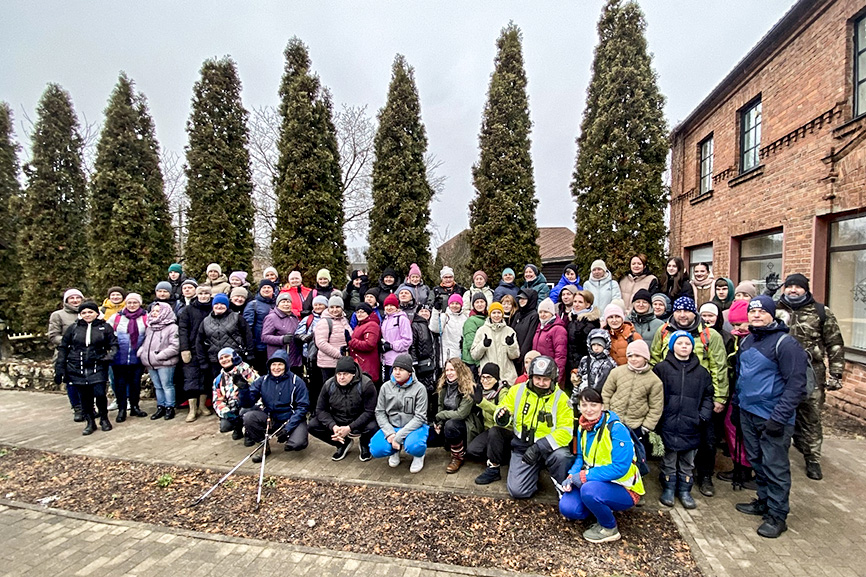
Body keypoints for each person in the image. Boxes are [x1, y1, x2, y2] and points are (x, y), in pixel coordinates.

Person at [734, 296, 808, 538]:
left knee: (775, 466)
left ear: (771, 314)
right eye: (752, 311)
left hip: (773, 417)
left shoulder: (786, 345)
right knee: (757, 461)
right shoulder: (747, 342)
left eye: (761, 311)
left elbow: (796, 385)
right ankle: (764, 501)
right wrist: (737, 406)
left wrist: (779, 417)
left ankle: (777, 515)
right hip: (748, 413)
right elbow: (742, 377)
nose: (756, 315)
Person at [650, 295, 728, 497]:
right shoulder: (664, 331)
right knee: (670, 440)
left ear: (695, 313)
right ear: (673, 312)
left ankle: (704, 476)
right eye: (679, 310)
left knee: (707, 441)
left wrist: (719, 398)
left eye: (687, 311)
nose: (683, 315)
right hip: (671, 396)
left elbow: (719, 368)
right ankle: (669, 480)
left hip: (700, 396)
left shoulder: (710, 336)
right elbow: (655, 360)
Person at [775, 273, 845, 481]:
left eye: (798, 287)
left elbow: (834, 343)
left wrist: (836, 372)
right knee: (782, 414)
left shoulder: (820, 312)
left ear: (806, 289)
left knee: (811, 417)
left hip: (811, 372)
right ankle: (780, 457)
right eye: (789, 286)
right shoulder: (776, 310)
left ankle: (812, 458)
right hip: (781, 372)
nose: (793, 290)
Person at [558, 387, 645, 543]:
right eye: (584, 405)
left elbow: (620, 467)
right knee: (568, 508)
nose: (589, 410)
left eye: (593, 405)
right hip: (596, 482)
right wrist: (572, 475)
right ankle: (599, 507)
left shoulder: (616, 429)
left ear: (602, 406)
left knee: (589, 490)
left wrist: (584, 476)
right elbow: (580, 457)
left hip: (624, 487)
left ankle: (609, 528)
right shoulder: (582, 427)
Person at [492, 355, 574, 499]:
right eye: (538, 378)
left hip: (549, 448)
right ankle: (534, 472)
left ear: (553, 379)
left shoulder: (562, 399)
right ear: (530, 376)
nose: (541, 383)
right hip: (523, 446)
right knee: (517, 491)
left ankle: (561, 485)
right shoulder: (517, 390)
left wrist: (539, 447)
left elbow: (566, 432)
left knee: (562, 456)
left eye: (546, 379)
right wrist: (502, 417)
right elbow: (502, 408)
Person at [653, 331, 714, 509]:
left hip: (692, 423)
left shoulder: (702, 372)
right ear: (673, 346)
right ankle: (669, 488)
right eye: (679, 343)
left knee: (688, 461)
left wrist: (702, 415)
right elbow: (655, 395)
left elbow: (708, 396)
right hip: (668, 422)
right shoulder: (662, 369)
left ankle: (685, 489)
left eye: (687, 344)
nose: (684, 346)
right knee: (669, 459)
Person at [55, 301, 118, 435]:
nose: (87, 315)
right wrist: (60, 367)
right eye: (84, 312)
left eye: (90, 312)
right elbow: (63, 347)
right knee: (85, 397)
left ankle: (104, 418)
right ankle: (90, 422)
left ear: (96, 313)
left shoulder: (105, 327)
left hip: (97, 365)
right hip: (77, 366)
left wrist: (109, 357)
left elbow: (114, 345)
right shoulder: (73, 328)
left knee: (100, 394)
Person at [601, 339, 663, 475]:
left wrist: (646, 426)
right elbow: (606, 393)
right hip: (614, 421)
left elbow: (656, 407)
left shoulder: (654, 381)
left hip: (636, 425)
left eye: (637, 356)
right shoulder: (617, 372)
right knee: (611, 451)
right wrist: (606, 413)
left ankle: (632, 480)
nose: (633, 359)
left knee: (633, 455)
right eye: (630, 355)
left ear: (645, 357)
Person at [238, 350, 310, 462]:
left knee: (298, 444)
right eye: (274, 364)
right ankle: (264, 445)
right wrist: (243, 390)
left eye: (280, 364)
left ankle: (290, 438)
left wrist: (288, 428)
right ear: (269, 366)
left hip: (291, 418)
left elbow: (303, 407)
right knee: (248, 416)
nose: (276, 368)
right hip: (270, 417)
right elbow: (247, 403)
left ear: (286, 365)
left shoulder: (297, 381)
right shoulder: (262, 380)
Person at [196, 292, 253, 421]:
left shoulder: (236, 317)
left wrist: (250, 353)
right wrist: (202, 360)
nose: (219, 306)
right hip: (215, 360)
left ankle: (242, 410)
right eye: (217, 304)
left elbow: (247, 335)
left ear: (227, 305)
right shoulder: (205, 321)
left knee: (240, 386)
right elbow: (199, 341)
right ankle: (225, 413)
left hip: (236, 359)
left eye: (222, 304)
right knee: (221, 388)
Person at [309, 356, 379, 461]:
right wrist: (333, 426)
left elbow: (369, 411)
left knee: (373, 426)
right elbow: (320, 410)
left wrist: (350, 427)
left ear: (353, 374)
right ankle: (343, 443)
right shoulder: (329, 385)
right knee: (312, 425)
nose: (341, 377)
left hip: (360, 419)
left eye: (345, 374)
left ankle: (365, 444)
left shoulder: (366, 384)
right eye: (339, 374)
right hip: (339, 417)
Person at [370, 353, 429, 473]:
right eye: (395, 369)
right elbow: (380, 412)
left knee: (415, 446)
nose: (397, 372)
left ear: (410, 372)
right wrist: (390, 433)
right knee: (376, 449)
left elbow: (420, 417)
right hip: (392, 427)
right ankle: (394, 451)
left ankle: (419, 456)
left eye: (401, 370)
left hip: (414, 427)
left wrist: (399, 436)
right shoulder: (385, 387)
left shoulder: (420, 389)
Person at [431, 358, 484, 473]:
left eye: (452, 370)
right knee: (432, 431)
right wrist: (439, 423)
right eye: (447, 370)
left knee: (451, 425)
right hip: (449, 419)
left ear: (460, 370)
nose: (449, 373)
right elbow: (441, 405)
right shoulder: (444, 386)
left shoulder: (469, 387)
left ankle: (457, 457)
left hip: (467, 423)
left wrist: (440, 416)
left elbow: (461, 414)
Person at [108, 293, 148, 422]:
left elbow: (149, 335)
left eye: (135, 302)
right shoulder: (117, 318)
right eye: (129, 302)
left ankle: (135, 406)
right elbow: (107, 334)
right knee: (120, 384)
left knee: (135, 384)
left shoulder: (146, 318)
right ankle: (122, 409)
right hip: (119, 358)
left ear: (140, 303)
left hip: (137, 357)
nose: (132, 305)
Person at [469, 362, 511, 484]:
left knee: (494, 433)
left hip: (503, 431)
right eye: (483, 377)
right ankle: (495, 454)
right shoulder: (481, 391)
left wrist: (482, 402)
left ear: (496, 379)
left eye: (489, 378)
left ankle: (495, 465)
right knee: (473, 450)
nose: (485, 381)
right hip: (488, 431)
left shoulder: (503, 392)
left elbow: (501, 415)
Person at [137, 302, 180, 420]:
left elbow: (175, 346)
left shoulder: (172, 327)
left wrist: (161, 356)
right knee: (157, 386)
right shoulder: (150, 327)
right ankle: (160, 406)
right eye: (153, 311)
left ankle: (169, 407)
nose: (155, 313)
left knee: (167, 385)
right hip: (150, 362)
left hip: (165, 362)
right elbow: (145, 342)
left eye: (158, 311)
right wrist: (142, 352)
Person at [49, 288, 85, 421]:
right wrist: (71, 342)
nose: (75, 300)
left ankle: (89, 407)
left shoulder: (88, 312)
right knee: (72, 383)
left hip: (86, 354)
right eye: (72, 298)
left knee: (88, 382)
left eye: (78, 298)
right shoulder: (58, 315)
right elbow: (53, 336)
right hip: (68, 354)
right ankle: (77, 408)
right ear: (66, 301)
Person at [178, 285, 212, 422]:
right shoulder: (188, 310)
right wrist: (184, 349)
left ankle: (202, 405)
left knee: (205, 378)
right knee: (191, 378)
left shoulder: (213, 308)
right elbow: (183, 330)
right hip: (191, 349)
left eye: (206, 293)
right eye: (201, 293)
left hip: (208, 349)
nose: (203, 296)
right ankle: (192, 409)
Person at [212, 347, 257, 441]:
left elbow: (256, 382)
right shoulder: (218, 380)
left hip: (250, 404)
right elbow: (217, 400)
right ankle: (238, 427)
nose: (224, 360)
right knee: (225, 426)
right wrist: (226, 413)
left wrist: (240, 365)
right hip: (232, 407)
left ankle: (250, 431)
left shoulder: (245, 370)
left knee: (244, 411)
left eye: (227, 356)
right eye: (221, 358)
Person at [470, 302, 520, 384]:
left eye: (499, 312)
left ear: (502, 314)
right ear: (490, 314)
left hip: (507, 377)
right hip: (489, 377)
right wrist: (483, 345)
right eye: (494, 313)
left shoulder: (509, 331)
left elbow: (515, 356)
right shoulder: (481, 331)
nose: (496, 315)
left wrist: (511, 345)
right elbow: (474, 355)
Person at [313, 295, 352, 393]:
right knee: (330, 390)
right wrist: (339, 354)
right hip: (328, 363)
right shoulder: (324, 322)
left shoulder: (344, 320)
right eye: (332, 307)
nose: (335, 310)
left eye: (337, 307)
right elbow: (321, 343)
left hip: (342, 362)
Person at [260, 290, 301, 374]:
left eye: (288, 302)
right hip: (279, 359)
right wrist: (281, 339)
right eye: (283, 302)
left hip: (295, 358)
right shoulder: (271, 317)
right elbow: (264, 337)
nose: (286, 304)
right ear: (278, 304)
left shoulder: (294, 317)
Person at [244, 279, 278, 375]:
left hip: (275, 344)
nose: (266, 290)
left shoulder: (277, 304)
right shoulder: (253, 305)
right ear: (260, 290)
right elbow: (248, 327)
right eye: (264, 287)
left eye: (269, 287)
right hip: (260, 346)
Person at [566, 290, 601, 380]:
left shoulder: (590, 323)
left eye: (580, 302)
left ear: (588, 304)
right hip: (570, 364)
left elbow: (586, 348)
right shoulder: (572, 319)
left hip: (584, 366)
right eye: (575, 301)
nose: (576, 305)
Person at [429, 294, 468, 373]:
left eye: (457, 303)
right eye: (452, 303)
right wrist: (436, 311)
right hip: (447, 354)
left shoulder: (465, 318)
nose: (454, 306)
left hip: (461, 354)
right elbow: (435, 328)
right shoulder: (445, 316)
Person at [532, 298, 567, 385]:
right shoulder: (540, 327)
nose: (543, 315)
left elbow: (560, 355)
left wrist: (557, 377)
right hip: (539, 370)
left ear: (552, 313)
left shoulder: (558, 329)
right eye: (540, 312)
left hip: (550, 373)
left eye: (546, 312)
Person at [409, 304, 437, 410]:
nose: (424, 313)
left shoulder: (433, 325)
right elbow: (412, 345)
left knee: (434, 390)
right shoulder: (415, 325)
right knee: (423, 391)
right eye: (422, 311)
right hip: (422, 364)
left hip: (434, 362)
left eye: (427, 311)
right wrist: (414, 362)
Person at [380, 294, 413, 382]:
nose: (389, 307)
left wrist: (391, 346)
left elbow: (407, 341)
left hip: (399, 361)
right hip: (386, 360)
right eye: (387, 305)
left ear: (396, 307)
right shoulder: (384, 320)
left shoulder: (402, 319)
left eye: (391, 305)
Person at [347, 303, 382, 386]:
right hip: (359, 363)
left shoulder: (372, 325)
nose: (359, 314)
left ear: (368, 313)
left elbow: (369, 344)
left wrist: (351, 342)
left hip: (367, 364)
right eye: (357, 312)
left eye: (362, 312)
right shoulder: (359, 325)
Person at [575, 329, 617, 396]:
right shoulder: (585, 360)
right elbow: (578, 380)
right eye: (594, 345)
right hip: (583, 397)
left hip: (599, 398)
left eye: (599, 345)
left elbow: (602, 385)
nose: (596, 348)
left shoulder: (609, 363)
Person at [511, 288, 539, 374]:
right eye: (520, 299)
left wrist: (521, 356)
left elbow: (529, 337)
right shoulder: (518, 314)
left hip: (523, 356)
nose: (521, 301)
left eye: (524, 299)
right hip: (513, 353)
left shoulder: (534, 315)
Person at [462, 293, 489, 379]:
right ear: (473, 305)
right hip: (472, 362)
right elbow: (471, 344)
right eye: (477, 302)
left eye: (482, 302)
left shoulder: (487, 318)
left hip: (483, 358)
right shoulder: (471, 321)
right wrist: (478, 364)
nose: (480, 304)